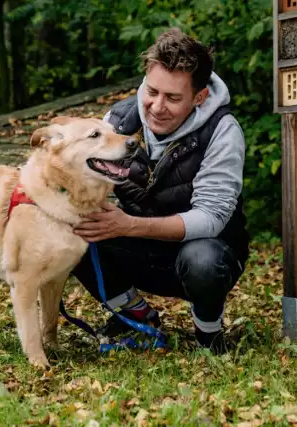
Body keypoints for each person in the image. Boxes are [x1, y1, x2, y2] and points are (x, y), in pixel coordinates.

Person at [71, 27, 250, 353]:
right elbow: (80, 173)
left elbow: (210, 219)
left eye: (172, 97)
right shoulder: (116, 120)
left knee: (203, 260)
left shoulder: (223, 132)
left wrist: (128, 225)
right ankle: (136, 317)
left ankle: (208, 331)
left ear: (200, 97)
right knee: (72, 229)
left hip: (206, 253)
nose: (155, 106)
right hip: (140, 246)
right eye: (151, 91)